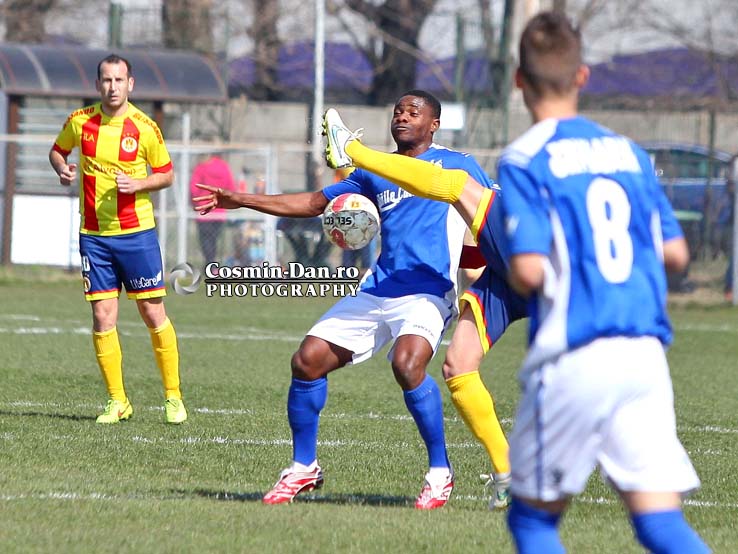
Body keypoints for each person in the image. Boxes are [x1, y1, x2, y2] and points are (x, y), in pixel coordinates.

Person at [322, 11, 709, 553]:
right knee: (659, 523)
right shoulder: (629, 154)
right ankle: (504, 472)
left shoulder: (528, 157)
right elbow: (675, 254)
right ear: (583, 76)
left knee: (532, 524)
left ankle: (353, 151)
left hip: (574, 345)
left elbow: (529, 270)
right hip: (642, 349)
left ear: (519, 81)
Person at [194, 90, 505, 510]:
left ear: (434, 124)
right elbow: (312, 203)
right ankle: (303, 467)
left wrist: (485, 267)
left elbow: (492, 214)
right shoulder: (373, 172)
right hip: (378, 287)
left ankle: (439, 471)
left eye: (413, 112)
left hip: (429, 289)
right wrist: (242, 200)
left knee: (407, 364)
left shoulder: (459, 165)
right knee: (307, 360)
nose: (402, 117)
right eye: (398, 111)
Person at [48, 54, 187, 425]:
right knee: (101, 317)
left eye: (119, 80)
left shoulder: (144, 127)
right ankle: (118, 401)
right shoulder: (80, 122)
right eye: (107, 80)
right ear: (98, 85)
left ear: (130, 84)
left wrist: (139, 183)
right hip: (94, 237)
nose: (113, 87)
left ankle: (173, 397)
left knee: (152, 313)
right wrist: (62, 169)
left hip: (137, 235)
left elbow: (167, 174)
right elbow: (58, 151)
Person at [189, 153, 236, 263]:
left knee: (205, 241)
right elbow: (231, 188)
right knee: (213, 240)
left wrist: (194, 204)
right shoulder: (224, 168)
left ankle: (210, 263)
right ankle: (212, 264)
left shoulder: (202, 167)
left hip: (204, 211)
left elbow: (194, 189)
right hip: (219, 212)